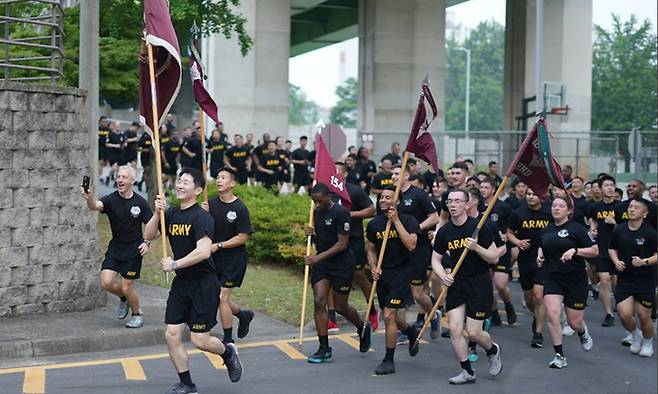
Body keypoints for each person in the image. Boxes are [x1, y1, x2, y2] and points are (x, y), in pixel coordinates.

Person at [143, 168, 242, 393]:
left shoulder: (202, 217)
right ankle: (187, 383)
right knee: (171, 334)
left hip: (204, 284)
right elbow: (148, 235)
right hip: (182, 284)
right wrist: (158, 214)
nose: (179, 185)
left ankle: (227, 353)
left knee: (200, 340)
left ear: (197, 190)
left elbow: (204, 252)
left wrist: (175, 264)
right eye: (179, 181)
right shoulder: (172, 214)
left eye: (185, 182)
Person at [432, 189, 503, 384]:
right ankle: (467, 371)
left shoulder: (480, 227)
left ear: (466, 204)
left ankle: (492, 349)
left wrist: (476, 247)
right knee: (455, 329)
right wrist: (442, 276)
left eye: (457, 201)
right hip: (456, 283)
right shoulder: (444, 231)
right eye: (450, 201)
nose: (453, 205)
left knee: (474, 333)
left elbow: (494, 256)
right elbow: (435, 260)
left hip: (479, 282)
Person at [303, 183, 371, 363]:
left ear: (329, 197)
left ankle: (361, 326)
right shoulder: (316, 213)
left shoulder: (341, 213)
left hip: (342, 264)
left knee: (341, 307)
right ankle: (324, 348)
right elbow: (323, 239)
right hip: (323, 264)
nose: (316, 204)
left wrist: (317, 258)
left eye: (319, 201)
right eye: (314, 201)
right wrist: (311, 235)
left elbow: (341, 244)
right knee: (319, 301)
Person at [81, 166, 152, 328]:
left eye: (124, 177)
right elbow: (95, 206)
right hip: (116, 248)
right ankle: (124, 298)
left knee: (127, 286)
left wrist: (146, 242)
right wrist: (88, 198)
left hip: (134, 250)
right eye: (118, 177)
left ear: (132, 181)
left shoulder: (140, 203)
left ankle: (137, 314)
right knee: (106, 282)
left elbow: (153, 227)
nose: (120, 180)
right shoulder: (111, 199)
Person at [537, 196, 598, 369]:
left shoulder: (577, 229)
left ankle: (582, 331)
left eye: (561, 206)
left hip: (575, 279)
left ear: (569, 211)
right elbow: (543, 245)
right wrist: (540, 255)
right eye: (554, 205)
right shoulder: (547, 230)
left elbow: (595, 250)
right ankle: (559, 355)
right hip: (552, 278)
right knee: (553, 313)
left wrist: (575, 250)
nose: (556, 208)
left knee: (574, 322)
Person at [366, 186, 421, 374]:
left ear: (397, 201)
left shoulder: (409, 220)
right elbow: (371, 249)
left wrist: (396, 220)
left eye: (388, 197)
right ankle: (411, 332)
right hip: (384, 275)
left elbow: (411, 245)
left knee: (389, 315)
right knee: (395, 318)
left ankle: (388, 360)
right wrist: (373, 266)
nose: (382, 200)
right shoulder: (374, 224)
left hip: (402, 272)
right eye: (381, 197)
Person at [205, 168, 255, 344]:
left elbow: (243, 237)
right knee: (215, 296)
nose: (219, 181)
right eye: (217, 177)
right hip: (213, 259)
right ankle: (243, 315)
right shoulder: (209, 204)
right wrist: (203, 214)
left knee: (221, 297)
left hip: (233, 259)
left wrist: (219, 245)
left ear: (232, 183)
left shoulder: (239, 208)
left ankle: (228, 339)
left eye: (223, 178)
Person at [391, 164, 440, 338]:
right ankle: (404, 329)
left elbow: (434, 217)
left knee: (418, 294)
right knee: (400, 290)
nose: (394, 177)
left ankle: (434, 316)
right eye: (393, 174)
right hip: (397, 251)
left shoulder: (418, 194)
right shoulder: (391, 195)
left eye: (397, 173)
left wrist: (415, 229)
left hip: (418, 248)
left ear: (406, 175)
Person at [609, 198, 657, 357]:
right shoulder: (620, 229)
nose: (632, 210)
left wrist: (644, 262)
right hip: (625, 279)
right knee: (624, 314)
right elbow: (611, 249)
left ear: (645, 213)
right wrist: (616, 261)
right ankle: (636, 335)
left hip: (645, 279)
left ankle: (648, 343)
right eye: (630, 207)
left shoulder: (650, 233)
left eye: (636, 208)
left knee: (644, 316)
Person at [333, 162, 377, 331]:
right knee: (331, 279)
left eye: (337, 172)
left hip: (353, 239)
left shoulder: (354, 190)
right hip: (333, 242)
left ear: (344, 174)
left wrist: (348, 214)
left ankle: (372, 310)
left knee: (358, 276)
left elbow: (371, 210)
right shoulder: (329, 192)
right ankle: (331, 318)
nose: (334, 175)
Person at [507, 188, 552, 348]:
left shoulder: (549, 212)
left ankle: (538, 333)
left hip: (545, 260)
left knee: (538, 296)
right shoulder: (518, 213)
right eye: (529, 194)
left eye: (534, 194)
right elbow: (509, 233)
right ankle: (538, 315)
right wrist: (517, 242)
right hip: (525, 260)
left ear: (542, 196)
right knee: (529, 298)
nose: (531, 197)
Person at [479, 178, 516, 326]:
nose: (482, 189)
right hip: (484, 250)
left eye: (486, 187)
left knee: (500, 285)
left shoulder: (503, 207)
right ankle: (493, 313)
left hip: (501, 250)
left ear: (493, 189)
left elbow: (511, 226)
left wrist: (506, 234)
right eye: (481, 187)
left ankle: (508, 304)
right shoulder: (478, 206)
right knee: (487, 285)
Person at [588, 174, 619, 326]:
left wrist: (615, 223)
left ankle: (619, 304)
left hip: (619, 251)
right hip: (602, 249)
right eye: (606, 185)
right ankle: (608, 314)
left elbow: (630, 227)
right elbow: (593, 219)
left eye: (612, 185)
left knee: (616, 282)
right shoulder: (595, 207)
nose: (609, 188)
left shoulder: (621, 207)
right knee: (605, 281)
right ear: (600, 189)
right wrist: (593, 228)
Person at [98, 116, 110, 182]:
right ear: (100, 122)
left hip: (107, 148)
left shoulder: (108, 130)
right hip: (99, 147)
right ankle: (100, 176)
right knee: (101, 162)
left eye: (106, 121)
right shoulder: (97, 129)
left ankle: (100, 174)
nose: (104, 123)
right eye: (103, 121)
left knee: (105, 163)